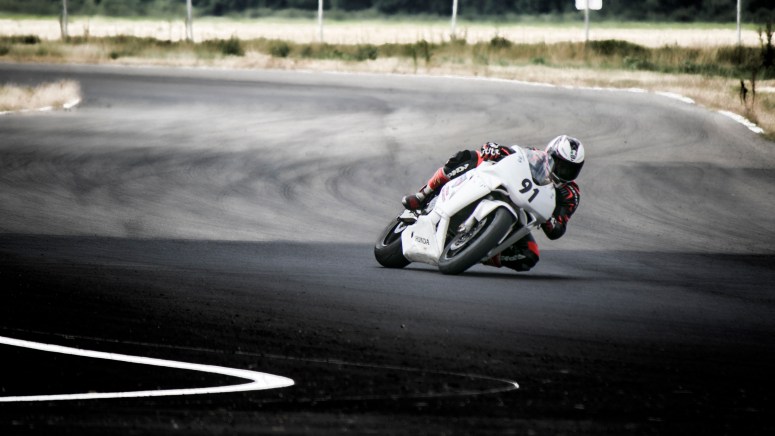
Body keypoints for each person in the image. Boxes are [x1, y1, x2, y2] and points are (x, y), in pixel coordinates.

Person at [401, 135, 585, 272]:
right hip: (498, 187)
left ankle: (476, 252)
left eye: (571, 169)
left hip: (518, 217)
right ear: (550, 155)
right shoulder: (535, 157)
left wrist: (548, 219)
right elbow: (511, 154)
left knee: (530, 255)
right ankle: (423, 195)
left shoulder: (571, 193)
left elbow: (559, 229)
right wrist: (493, 149)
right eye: (561, 165)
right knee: (470, 157)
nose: (564, 172)